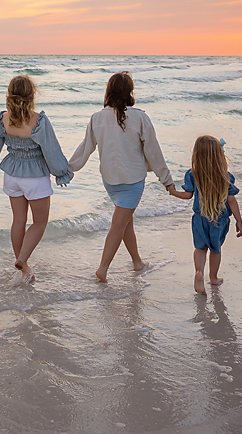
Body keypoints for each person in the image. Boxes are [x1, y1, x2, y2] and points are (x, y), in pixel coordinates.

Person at [67, 71, 177, 282]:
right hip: (133, 180)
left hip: (110, 180)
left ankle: (137, 262)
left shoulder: (96, 118)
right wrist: (167, 180)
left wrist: (67, 169)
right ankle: (102, 269)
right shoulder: (140, 117)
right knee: (119, 223)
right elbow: (153, 152)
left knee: (126, 221)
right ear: (130, 92)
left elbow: (84, 149)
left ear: (108, 91)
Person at [0, 74, 72, 282]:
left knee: (18, 220)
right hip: (35, 177)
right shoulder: (39, 121)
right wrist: (61, 173)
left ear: (9, 94)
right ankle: (22, 259)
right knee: (40, 222)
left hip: (11, 175)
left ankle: (23, 266)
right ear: (32, 94)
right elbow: (51, 150)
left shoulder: (3, 119)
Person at [168, 135, 242, 294]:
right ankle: (213, 278)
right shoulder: (225, 176)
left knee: (200, 248)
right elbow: (231, 200)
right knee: (216, 249)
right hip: (219, 220)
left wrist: (173, 192)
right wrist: (239, 220)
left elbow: (188, 195)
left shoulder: (192, 174)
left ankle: (198, 273)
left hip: (199, 219)